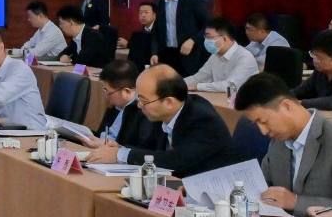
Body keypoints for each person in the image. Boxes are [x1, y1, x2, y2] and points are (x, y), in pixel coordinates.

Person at [233, 73, 332, 217]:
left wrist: (297, 202)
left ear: (286, 106)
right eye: (256, 124)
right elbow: (265, 186)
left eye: (264, 121)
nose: (263, 131)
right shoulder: (278, 141)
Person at [84, 66, 248, 175]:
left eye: (144, 100)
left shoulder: (202, 119)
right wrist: (121, 148)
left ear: (168, 102)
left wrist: (120, 155)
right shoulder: (161, 113)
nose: (139, 106)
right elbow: (153, 152)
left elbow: (176, 160)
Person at [80, 59, 164, 152]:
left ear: (126, 92)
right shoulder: (115, 105)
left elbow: (144, 151)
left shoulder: (144, 111)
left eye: (107, 91)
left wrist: (116, 148)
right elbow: (103, 133)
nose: (106, 95)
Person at [149, 0, 210, 74]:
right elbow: (156, 31)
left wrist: (193, 40)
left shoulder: (192, 0)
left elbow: (209, 25)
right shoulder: (159, 3)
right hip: (167, 55)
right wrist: (154, 53)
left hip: (190, 55)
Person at [183, 17, 259, 93]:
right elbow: (198, 78)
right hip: (223, 98)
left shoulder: (244, 57)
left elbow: (230, 86)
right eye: (205, 37)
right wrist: (179, 84)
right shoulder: (215, 55)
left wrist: (197, 86)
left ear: (225, 39)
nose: (206, 41)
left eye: (209, 37)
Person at [57, 4, 112, 69]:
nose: (60, 26)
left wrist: (70, 60)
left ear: (71, 22)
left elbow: (82, 61)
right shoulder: (75, 38)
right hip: (83, 72)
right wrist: (63, 56)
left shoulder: (93, 36)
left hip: (98, 73)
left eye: (61, 23)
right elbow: (61, 54)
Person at [127, 3, 157, 68]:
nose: (143, 15)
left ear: (154, 15)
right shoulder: (138, 33)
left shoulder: (160, 31)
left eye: (146, 12)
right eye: (140, 13)